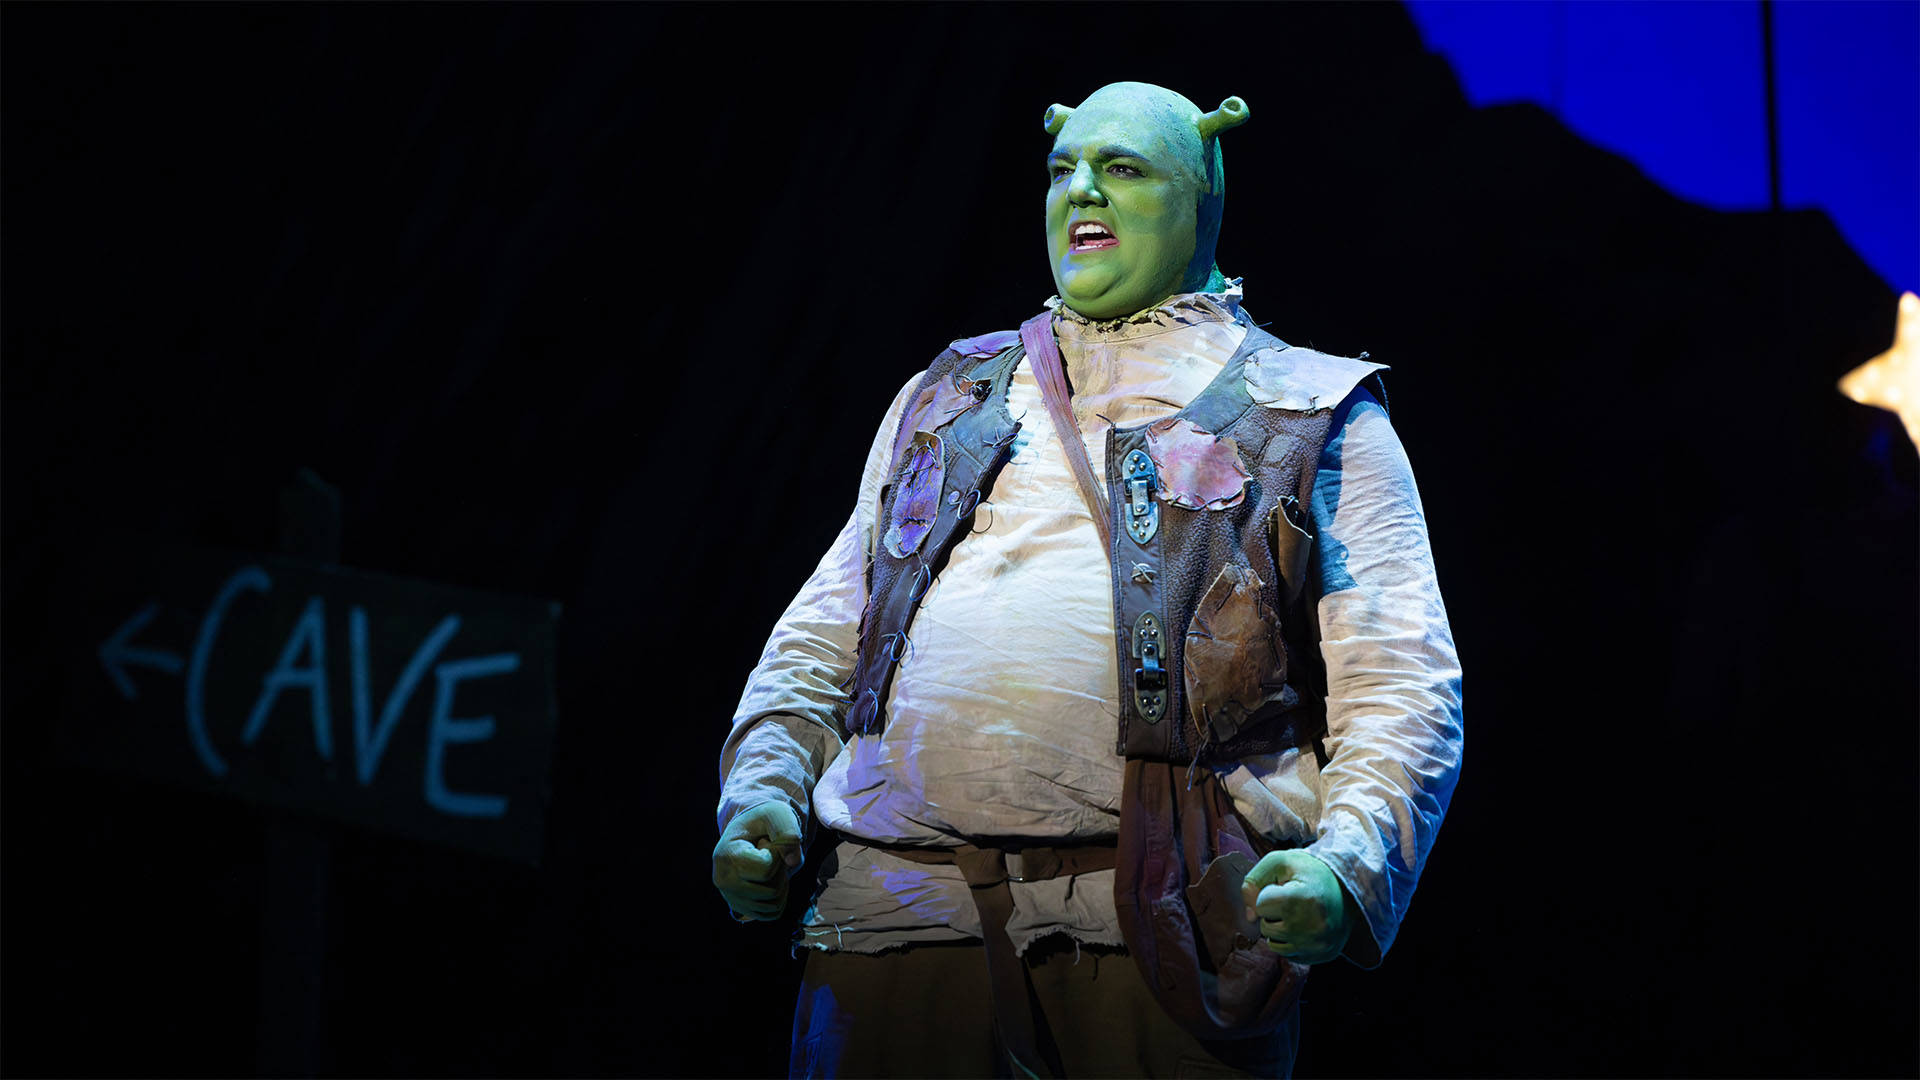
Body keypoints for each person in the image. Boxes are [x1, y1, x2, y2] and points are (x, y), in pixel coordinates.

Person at [713, 81, 1463, 1079]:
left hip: (1158, 944)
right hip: (897, 930)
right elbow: (826, 632)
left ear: (1198, 197)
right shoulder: (951, 391)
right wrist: (761, 794)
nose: (1081, 193)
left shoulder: (1310, 409)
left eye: (1122, 168)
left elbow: (1401, 679)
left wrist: (1349, 867)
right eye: (1065, 169)